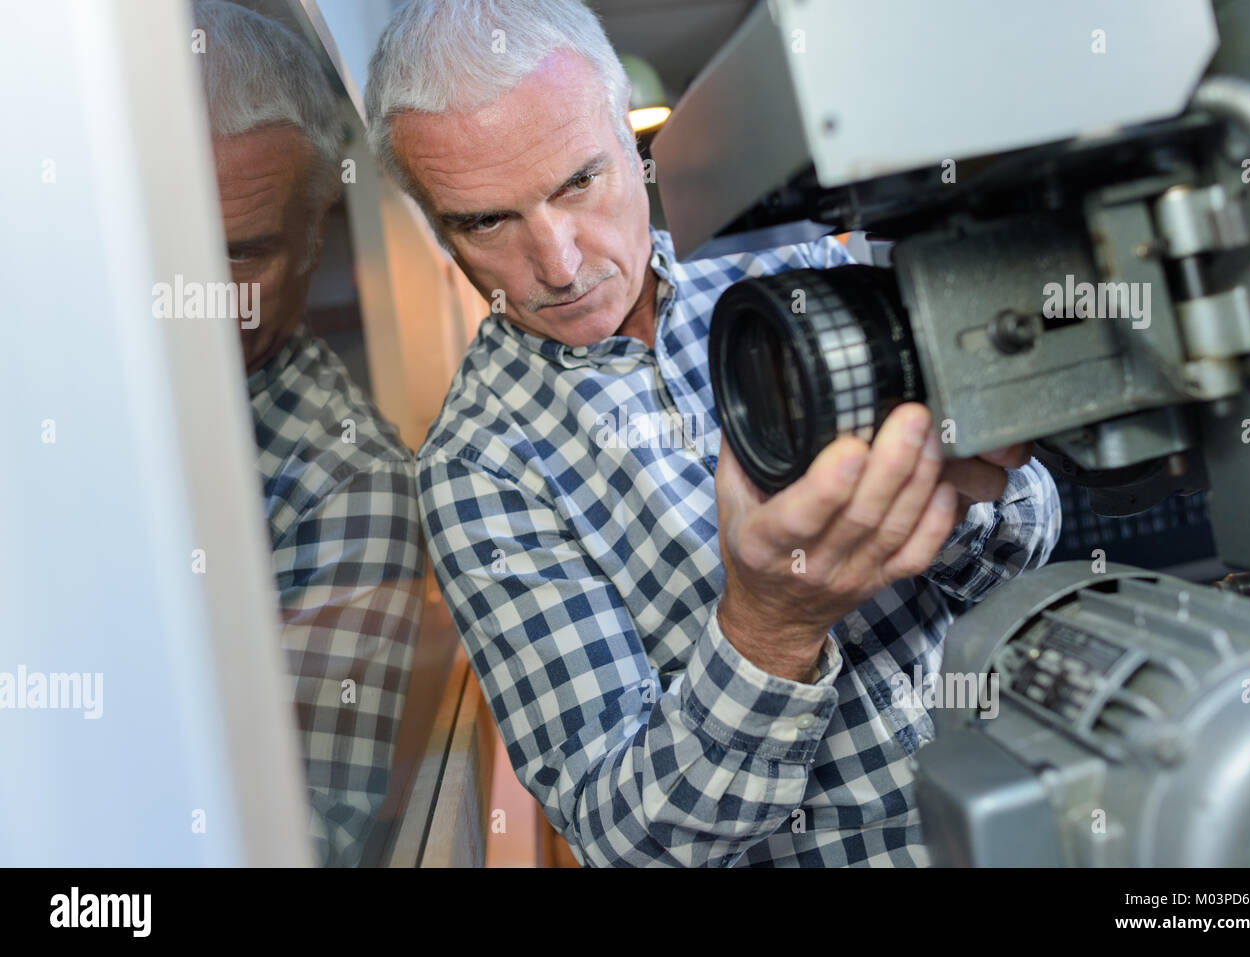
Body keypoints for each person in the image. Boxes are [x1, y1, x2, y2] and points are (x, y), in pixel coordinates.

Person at [366, 0, 1060, 866]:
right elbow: (630, 840)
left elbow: (1030, 536)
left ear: (631, 139)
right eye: (486, 221)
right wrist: (767, 631)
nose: (561, 263)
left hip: (1042, 812)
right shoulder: (476, 471)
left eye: (578, 182)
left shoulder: (790, 256)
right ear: (438, 229)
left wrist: (956, 500)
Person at [193, 1, 424, 866]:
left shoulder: (344, 483)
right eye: (163, 245)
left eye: (240, 253)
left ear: (314, 239)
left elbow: (301, 841)